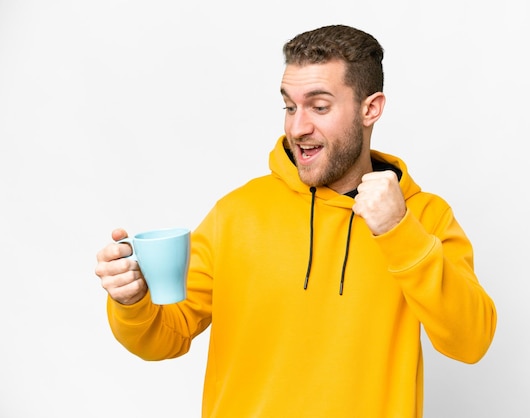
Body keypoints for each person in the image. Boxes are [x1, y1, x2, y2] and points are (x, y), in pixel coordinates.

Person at [95, 24, 497, 418]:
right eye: (290, 106)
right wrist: (132, 302)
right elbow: (167, 336)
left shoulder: (423, 217)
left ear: (369, 109)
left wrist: (398, 231)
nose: (297, 127)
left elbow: (471, 341)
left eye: (319, 107)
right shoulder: (237, 213)